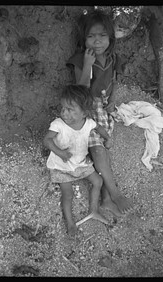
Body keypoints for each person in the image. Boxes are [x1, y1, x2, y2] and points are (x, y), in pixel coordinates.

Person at [66, 9, 133, 216]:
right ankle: (114, 193)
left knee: (101, 151)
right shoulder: (81, 58)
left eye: (102, 35)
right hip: (86, 107)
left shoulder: (112, 57)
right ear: (83, 39)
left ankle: (105, 200)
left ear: (110, 37)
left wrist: (112, 101)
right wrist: (87, 64)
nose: (97, 41)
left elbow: (113, 80)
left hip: (103, 108)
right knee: (98, 150)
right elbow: (82, 89)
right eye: (91, 36)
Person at [43, 84, 111, 236]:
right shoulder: (58, 124)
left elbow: (98, 127)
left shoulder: (88, 123)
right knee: (68, 194)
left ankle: (94, 210)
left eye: (70, 109)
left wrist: (107, 138)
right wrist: (59, 152)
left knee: (98, 182)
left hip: (80, 163)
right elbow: (47, 140)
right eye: (63, 108)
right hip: (61, 166)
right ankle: (70, 223)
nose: (64, 113)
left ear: (84, 113)